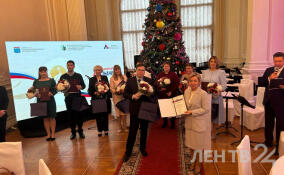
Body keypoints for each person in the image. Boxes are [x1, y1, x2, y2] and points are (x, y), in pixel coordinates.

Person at [122, 63, 154, 162]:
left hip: (145, 109)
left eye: (143, 70)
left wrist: (149, 93)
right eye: (139, 70)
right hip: (135, 110)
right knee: (132, 131)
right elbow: (125, 93)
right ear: (136, 71)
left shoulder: (148, 81)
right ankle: (128, 152)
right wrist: (132, 96)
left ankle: (142, 149)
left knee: (144, 131)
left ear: (145, 72)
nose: (141, 72)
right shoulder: (130, 81)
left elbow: (153, 94)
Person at [183, 72, 211, 171]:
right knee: (191, 145)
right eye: (191, 81)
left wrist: (192, 112)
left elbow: (206, 109)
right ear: (188, 82)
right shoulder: (186, 91)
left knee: (198, 146)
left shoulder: (203, 93)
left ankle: (198, 164)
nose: (193, 83)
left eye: (195, 81)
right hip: (188, 123)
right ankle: (192, 160)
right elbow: (184, 105)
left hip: (198, 123)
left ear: (199, 82)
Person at [261, 52, 284, 152]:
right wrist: (269, 78)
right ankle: (268, 141)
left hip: (281, 102)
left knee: (280, 124)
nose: (277, 63)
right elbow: (261, 83)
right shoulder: (269, 70)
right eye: (276, 61)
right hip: (269, 100)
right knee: (268, 123)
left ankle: (279, 145)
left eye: (280, 61)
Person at [60, 60, 86, 140]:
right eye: (68, 65)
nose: (70, 66)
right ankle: (73, 132)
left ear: (73, 66)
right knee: (71, 116)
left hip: (77, 97)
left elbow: (83, 85)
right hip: (68, 97)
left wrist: (80, 87)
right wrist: (62, 89)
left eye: (71, 65)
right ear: (66, 66)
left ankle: (80, 131)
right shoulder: (63, 76)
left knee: (79, 115)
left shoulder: (78, 75)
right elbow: (60, 87)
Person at [31, 67, 57, 141]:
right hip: (40, 101)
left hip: (51, 101)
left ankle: (53, 134)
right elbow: (33, 91)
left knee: (52, 117)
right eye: (41, 72)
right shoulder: (36, 81)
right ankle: (48, 134)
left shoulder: (52, 80)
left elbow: (56, 89)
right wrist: (36, 95)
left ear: (47, 72)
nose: (43, 73)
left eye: (45, 71)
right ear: (39, 73)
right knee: (45, 118)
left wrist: (52, 93)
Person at [201, 56, 226, 125]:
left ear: (217, 63)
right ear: (209, 62)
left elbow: (224, 86)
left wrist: (216, 90)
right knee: (205, 116)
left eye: (214, 62)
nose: (213, 63)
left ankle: (211, 132)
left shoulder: (221, 72)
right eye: (211, 61)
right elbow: (202, 83)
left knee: (214, 116)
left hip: (216, 97)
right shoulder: (205, 72)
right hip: (205, 97)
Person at [88, 65, 111, 137]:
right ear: (94, 71)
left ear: (101, 71)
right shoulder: (91, 79)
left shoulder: (105, 78)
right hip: (96, 99)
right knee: (98, 116)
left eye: (99, 70)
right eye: (96, 70)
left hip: (104, 99)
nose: (97, 71)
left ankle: (106, 130)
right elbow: (90, 90)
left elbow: (108, 88)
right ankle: (99, 130)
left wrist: (105, 91)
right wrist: (94, 93)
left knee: (105, 115)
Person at [156, 61, 179, 129]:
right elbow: (156, 83)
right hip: (162, 95)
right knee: (164, 109)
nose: (166, 67)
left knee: (172, 110)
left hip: (170, 95)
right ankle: (165, 122)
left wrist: (171, 91)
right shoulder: (160, 74)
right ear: (163, 67)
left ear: (169, 67)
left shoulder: (173, 74)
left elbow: (176, 83)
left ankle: (172, 123)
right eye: (165, 66)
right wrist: (160, 87)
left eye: (167, 66)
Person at [110, 65, 128, 133]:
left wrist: (123, 91)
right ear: (114, 71)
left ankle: (125, 127)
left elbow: (127, 85)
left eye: (118, 69)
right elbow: (111, 88)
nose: (117, 71)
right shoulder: (112, 78)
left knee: (124, 112)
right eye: (116, 70)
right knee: (118, 113)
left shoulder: (124, 76)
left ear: (120, 70)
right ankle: (119, 127)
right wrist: (116, 91)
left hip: (123, 97)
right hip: (116, 97)